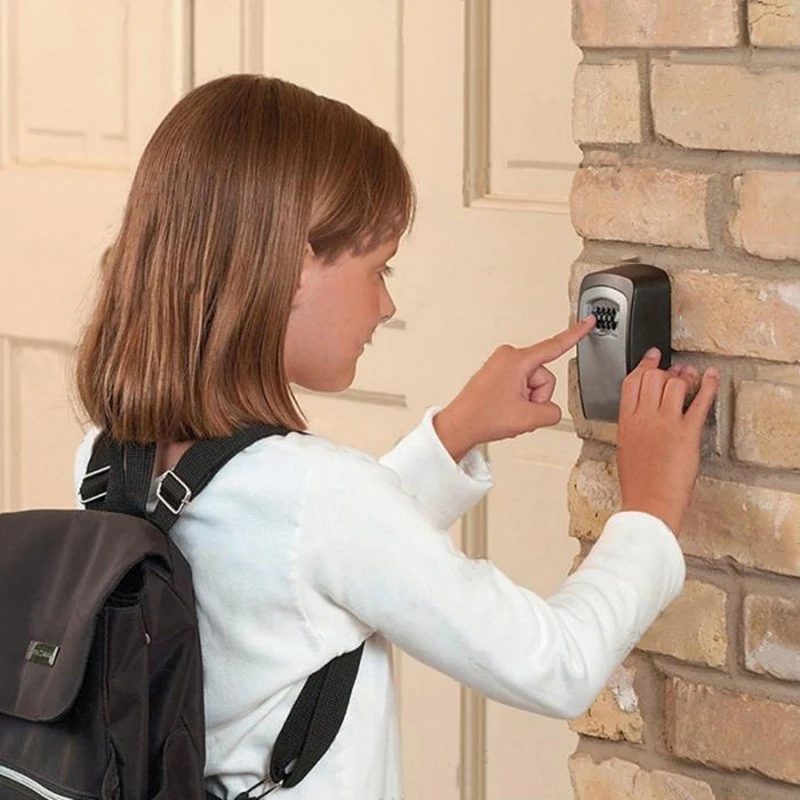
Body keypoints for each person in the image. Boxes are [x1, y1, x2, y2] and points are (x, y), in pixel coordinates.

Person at [72, 74, 718, 800]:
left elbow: (293, 571)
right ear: (291, 268)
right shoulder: (321, 501)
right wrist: (649, 512)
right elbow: (558, 664)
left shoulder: (107, 459)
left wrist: (452, 435)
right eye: (379, 268)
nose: (387, 304)